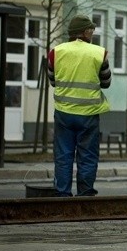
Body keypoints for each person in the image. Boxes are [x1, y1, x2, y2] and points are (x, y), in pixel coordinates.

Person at [48, 15, 112, 197]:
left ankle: (63, 194)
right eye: (91, 30)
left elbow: (52, 80)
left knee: (63, 155)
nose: (92, 33)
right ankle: (85, 194)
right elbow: (106, 82)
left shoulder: (56, 52)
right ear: (86, 32)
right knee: (87, 156)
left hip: (63, 113)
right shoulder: (99, 53)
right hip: (88, 115)